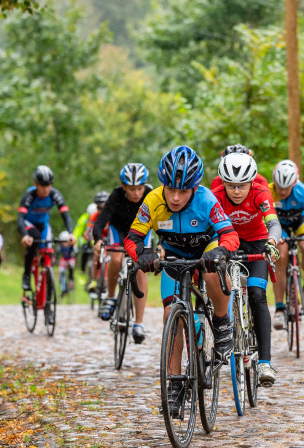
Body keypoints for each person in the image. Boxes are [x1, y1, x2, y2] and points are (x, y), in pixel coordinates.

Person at [126, 146, 240, 403]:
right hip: (174, 256)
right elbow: (133, 238)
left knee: (212, 273)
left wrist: (221, 250)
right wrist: (142, 254)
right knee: (171, 314)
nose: (176, 197)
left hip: (206, 251)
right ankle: (175, 382)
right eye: (171, 189)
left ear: (195, 188)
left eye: (184, 191)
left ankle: (223, 324)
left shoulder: (207, 199)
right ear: (162, 185)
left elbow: (230, 234)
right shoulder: (152, 201)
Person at [211, 152, 281, 386]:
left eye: (242, 185)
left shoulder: (261, 192)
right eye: (231, 185)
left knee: (257, 294)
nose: (237, 191)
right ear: (223, 183)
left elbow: (273, 223)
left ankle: (265, 363)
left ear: (251, 182)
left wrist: (272, 242)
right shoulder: (216, 195)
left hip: (257, 244)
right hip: (227, 244)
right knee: (220, 290)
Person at [93, 163, 152, 344]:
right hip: (118, 230)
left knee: (140, 268)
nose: (136, 193)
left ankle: (139, 324)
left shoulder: (151, 194)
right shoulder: (116, 195)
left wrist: (163, 244)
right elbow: (102, 219)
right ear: (124, 187)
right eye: (132, 189)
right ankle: (111, 297)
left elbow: (163, 218)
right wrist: (97, 239)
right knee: (116, 257)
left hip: (141, 232)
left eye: (139, 189)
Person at [269, 160, 304, 329]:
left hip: (300, 222)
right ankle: (279, 309)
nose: (281, 191)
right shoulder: (268, 192)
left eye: (286, 189)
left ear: (294, 184)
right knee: (280, 255)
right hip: (280, 225)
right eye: (279, 187)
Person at [18, 165, 76, 325]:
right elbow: (20, 218)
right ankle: (26, 275)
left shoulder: (55, 195)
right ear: (35, 184)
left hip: (44, 226)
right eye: (42, 186)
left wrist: (71, 233)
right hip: (29, 225)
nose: (45, 189)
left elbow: (66, 215)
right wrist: (24, 235)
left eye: (48, 185)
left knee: (48, 255)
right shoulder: (29, 195)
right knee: (33, 239)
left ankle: (48, 308)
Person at [85, 190, 110, 293]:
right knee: (96, 254)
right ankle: (94, 280)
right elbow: (87, 231)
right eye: (99, 208)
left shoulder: (112, 215)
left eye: (104, 208)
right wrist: (90, 238)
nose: (101, 211)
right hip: (99, 238)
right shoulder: (94, 216)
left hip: (110, 237)